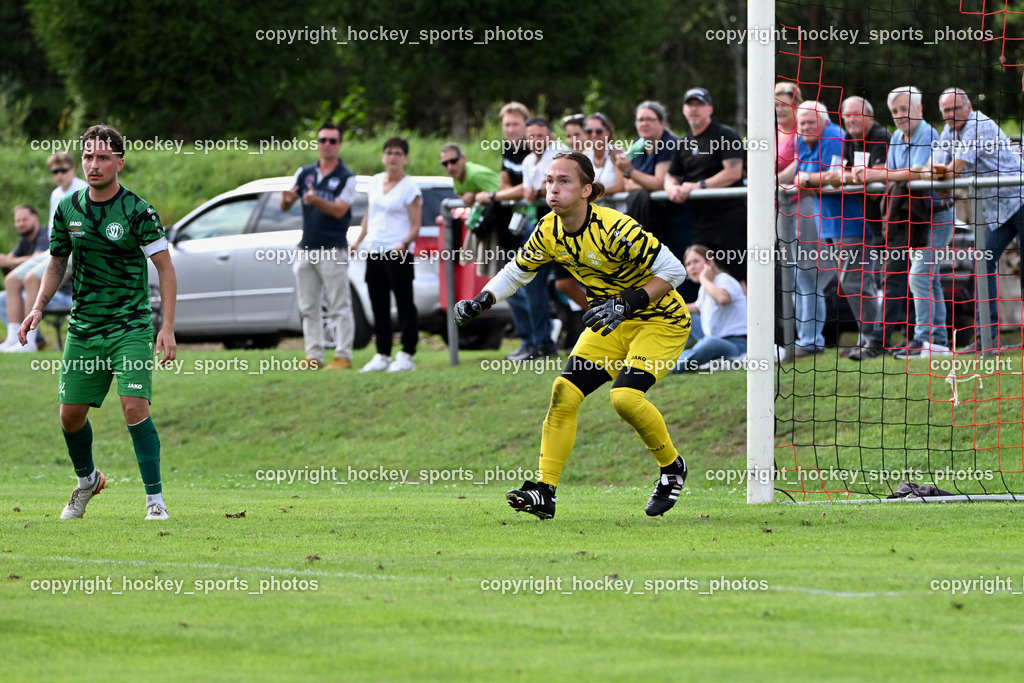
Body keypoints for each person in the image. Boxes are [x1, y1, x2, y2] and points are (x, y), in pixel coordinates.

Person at [454, 151, 691, 520]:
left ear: (587, 190)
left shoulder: (616, 227)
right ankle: (544, 492)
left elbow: (674, 270)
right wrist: (481, 300)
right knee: (563, 393)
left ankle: (672, 467)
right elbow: (517, 272)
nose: (553, 188)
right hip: (611, 324)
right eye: (549, 180)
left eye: (564, 181)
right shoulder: (548, 228)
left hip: (661, 322)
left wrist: (625, 303)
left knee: (625, 398)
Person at [16, 124, 177, 521]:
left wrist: (168, 327)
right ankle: (88, 480)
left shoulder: (138, 210)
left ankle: (154, 501)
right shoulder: (68, 208)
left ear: (119, 162)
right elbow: (56, 263)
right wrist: (38, 307)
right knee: (70, 415)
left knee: (134, 407)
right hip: (85, 327)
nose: (94, 164)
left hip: (130, 326)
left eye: (103, 157)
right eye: (88, 156)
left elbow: (166, 269)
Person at [854, 86, 955, 357]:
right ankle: (938, 342)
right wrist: (880, 173)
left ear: (919, 110)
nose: (900, 116)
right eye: (895, 111)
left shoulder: (929, 134)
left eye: (904, 110)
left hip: (937, 214)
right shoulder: (897, 136)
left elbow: (917, 174)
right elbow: (894, 172)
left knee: (919, 276)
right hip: (913, 218)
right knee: (928, 279)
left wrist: (875, 173)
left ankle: (923, 341)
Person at [932, 87, 1024, 351]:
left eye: (956, 108)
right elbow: (938, 169)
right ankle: (987, 339)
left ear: (969, 106)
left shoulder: (978, 125)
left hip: (1020, 198)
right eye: (946, 110)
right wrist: (940, 177)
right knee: (982, 264)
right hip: (998, 210)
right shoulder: (949, 132)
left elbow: (951, 170)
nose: (952, 114)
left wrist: (941, 178)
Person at [796, 101, 884, 360]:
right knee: (854, 283)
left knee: (854, 282)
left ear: (824, 121)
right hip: (831, 225)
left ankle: (874, 339)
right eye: (802, 123)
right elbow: (807, 179)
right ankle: (868, 337)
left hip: (853, 223)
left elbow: (833, 178)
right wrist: (810, 180)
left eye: (811, 121)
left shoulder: (834, 137)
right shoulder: (805, 141)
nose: (806, 127)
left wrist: (809, 180)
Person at [280, 122, 357, 370]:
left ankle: (343, 355)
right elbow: (287, 203)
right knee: (308, 306)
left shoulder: (347, 177)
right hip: (306, 247)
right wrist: (286, 199)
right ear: (317, 143)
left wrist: (316, 200)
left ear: (339, 145)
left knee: (338, 305)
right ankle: (313, 356)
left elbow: (339, 210)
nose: (327, 145)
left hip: (333, 248)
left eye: (332, 141)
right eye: (323, 140)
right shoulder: (305, 173)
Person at [835, 96, 906, 349]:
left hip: (895, 219)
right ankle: (876, 337)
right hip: (873, 223)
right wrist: (855, 177)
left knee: (898, 279)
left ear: (870, 116)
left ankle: (888, 339)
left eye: (856, 114)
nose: (851, 119)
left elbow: (876, 186)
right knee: (879, 280)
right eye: (847, 115)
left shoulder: (880, 137)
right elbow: (841, 174)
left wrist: (855, 177)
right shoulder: (847, 140)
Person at [350, 137, 423, 372]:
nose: (393, 157)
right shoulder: (374, 182)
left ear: (405, 158)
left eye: (398, 153)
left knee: (404, 304)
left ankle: (407, 354)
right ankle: (382, 353)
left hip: (397, 253)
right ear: (383, 156)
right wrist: (358, 241)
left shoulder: (410, 187)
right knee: (378, 304)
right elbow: (369, 216)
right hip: (375, 251)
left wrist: (404, 244)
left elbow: (415, 225)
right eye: (389, 152)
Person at [665, 87, 748, 283]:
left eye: (699, 104)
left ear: (710, 109)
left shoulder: (725, 134)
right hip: (701, 224)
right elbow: (670, 175)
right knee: (704, 281)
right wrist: (672, 189)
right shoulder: (683, 143)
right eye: (690, 105)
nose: (694, 109)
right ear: (683, 110)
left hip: (730, 222)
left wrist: (697, 186)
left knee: (738, 282)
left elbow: (733, 172)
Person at [614, 101, 692, 272]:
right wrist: (638, 179)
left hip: (676, 222)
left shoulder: (669, 144)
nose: (644, 123)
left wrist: (630, 172)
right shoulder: (638, 145)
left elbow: (659, 183)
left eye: (650, 119)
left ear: (662, 122)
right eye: (640, 119)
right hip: (652, 220)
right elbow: (626, 184)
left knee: (678, 269)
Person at [672, 244, 747, 372]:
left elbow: (723, 299)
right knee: (682, 317)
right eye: (688, 264)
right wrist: (667, 308)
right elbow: (696, 307)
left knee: (709, 344)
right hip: (713, 337)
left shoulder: (723, 279)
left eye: (696, 261)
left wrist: (703, 278)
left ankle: (671, 366)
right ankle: (665, 355)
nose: (692, 267)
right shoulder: (705, 288)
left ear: (710, 263)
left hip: (737, 344)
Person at [0, 205, 49, 349]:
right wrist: (5, 260)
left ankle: (31, 339)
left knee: (28, 281)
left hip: (57, 291)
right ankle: (15, 338)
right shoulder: (25, 240)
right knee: (3, 297)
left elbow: (37, 258)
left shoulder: (43, 235)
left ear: (36, 219)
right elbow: (10, 260)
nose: (21, 224)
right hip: (31, 289)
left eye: (25, 220)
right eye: (18, 221)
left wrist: (8, 261)